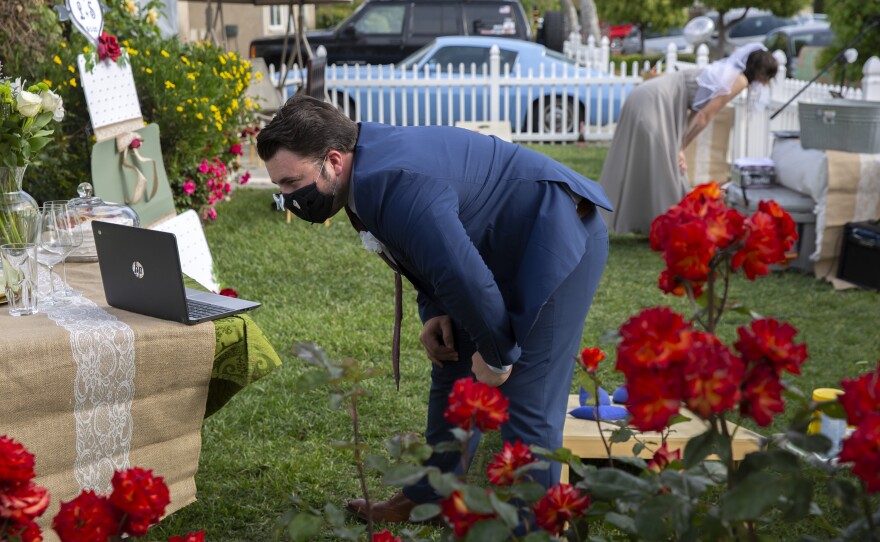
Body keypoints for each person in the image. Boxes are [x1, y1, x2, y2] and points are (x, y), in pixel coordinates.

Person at [256, 95, 612, 523]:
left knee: (527, 400)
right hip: (494, 245)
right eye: (280, 186)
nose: (288, 197)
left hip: (558, 236)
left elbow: (461, 275)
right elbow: (425, 253)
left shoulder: (396, 183)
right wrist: (436, 312)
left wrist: (497, 357)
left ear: (333, 160)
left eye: (292, 183)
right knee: (452, 367)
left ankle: (535, 527)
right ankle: (430, 497)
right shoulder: (362, 166)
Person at [599, 43, 779, 234]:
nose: (766, 83)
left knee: (655, 165)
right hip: (654, 102)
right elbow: (704, 117)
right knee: (668, 166)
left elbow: (696, 110)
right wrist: (679, 147)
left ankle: (657, 223)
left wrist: (680, 147)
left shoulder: (728, 72)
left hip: (647, 96)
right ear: (761, 73)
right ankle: (670, 227)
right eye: (768, 78)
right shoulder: (739, 80)